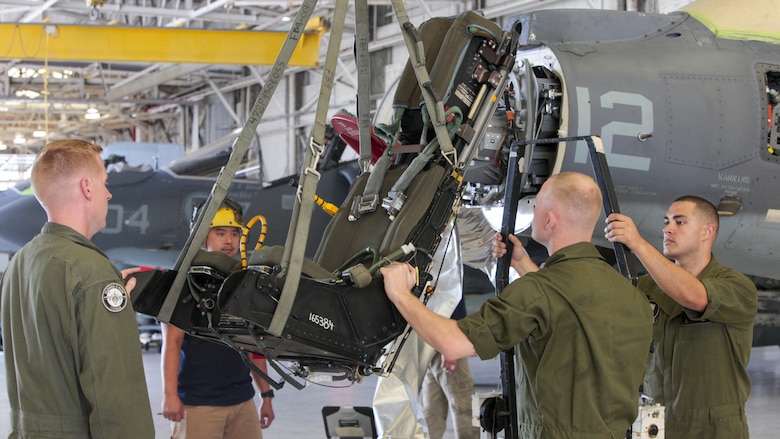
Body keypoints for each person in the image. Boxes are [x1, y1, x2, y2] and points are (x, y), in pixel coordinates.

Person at [380, 172, 653, 438]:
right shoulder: (631, 296)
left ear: (550, 219)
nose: (532, 212)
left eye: (536, 204)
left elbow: (454, 343)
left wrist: (401, 294)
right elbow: (565, 305)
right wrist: (521, 263)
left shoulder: (537, 291)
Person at [0, 139, 155, 438]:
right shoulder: (91, 272)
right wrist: (100, 285)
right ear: (87, 188)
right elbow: (117, 402)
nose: (108, 193)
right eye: (104, 182)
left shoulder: (20, 262)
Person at [604, 196, 757, 438]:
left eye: (680, 222)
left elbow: (694, 296)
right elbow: (591, 308)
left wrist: (638, 244)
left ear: (707, 231)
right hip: (655, 425)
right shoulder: (645, 287)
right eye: (666, 221)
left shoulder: (737, 288)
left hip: (714, 429)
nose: (667, 228)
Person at [161, 198, 275, 438]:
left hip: (243, 402)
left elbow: (253, 344)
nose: (229, 241)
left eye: (235, 234)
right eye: (220, 233)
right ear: (203, 237)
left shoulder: (243, 284)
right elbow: (172, 343)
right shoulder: (184, 284)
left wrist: (265, 394)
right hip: (199, 404)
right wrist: (170, 395)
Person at [420, 297, 479, 439]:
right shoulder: (446, 274)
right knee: (464, 405)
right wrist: (451, 345)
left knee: (432, 406)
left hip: (427, 336)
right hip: (446, 336)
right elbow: (452, 297)